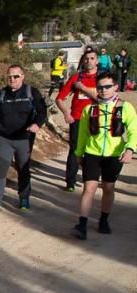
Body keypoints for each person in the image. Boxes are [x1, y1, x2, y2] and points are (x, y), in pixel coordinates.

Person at [70, 71, 136, 239]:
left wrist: (130, 149)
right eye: (100, 87)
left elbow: (134, 131)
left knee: (108, 188)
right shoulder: (89, 109)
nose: (103, 90)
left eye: (107, 87)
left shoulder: (125, 107)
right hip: (92, 153)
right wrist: (78, 153)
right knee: (89, 188)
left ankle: (104, 220)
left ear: (115, 87)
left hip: (114, 154)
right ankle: (82, 224)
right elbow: (83, 134)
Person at [0, 65, 47, 212]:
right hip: (4, 138)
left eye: (16, 76)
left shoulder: (31, 92)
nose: (12, 79)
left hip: (24, 139)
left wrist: (37, 124)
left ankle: (24, 198)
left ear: (23, 76)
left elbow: (42, 112)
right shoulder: (1, 95)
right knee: (1, 169)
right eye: (9, 76)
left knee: (23, 168)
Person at [56, 48, 100, 191]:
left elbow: (106, 99)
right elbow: (60, 99)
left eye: (92, 58)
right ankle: (70, 182)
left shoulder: (102, 78)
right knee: (75, 150)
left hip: (97, 119)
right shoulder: (76, 78)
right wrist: (66, 114)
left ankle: (90, 179)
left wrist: (84, 89)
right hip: (77, 118)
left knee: (95, 150)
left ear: (97, 61)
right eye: (86, 59)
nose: (89, 61)